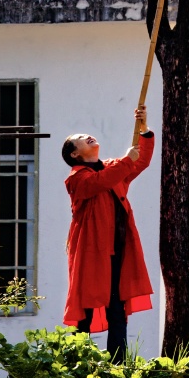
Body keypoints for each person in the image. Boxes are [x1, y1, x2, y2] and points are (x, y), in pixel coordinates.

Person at [62, 105, 154, 361]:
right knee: (86, 309)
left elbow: (141, 161)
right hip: (91, 252)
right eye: (81, 138)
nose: (87, 136)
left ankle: (118, 364)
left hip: (118, 250)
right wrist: (127, 160)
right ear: (74, 153)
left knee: (117, 308)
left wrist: (144, 129)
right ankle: (77, 363)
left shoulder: (115, 168)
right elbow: (98, 183)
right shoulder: (76, 178)